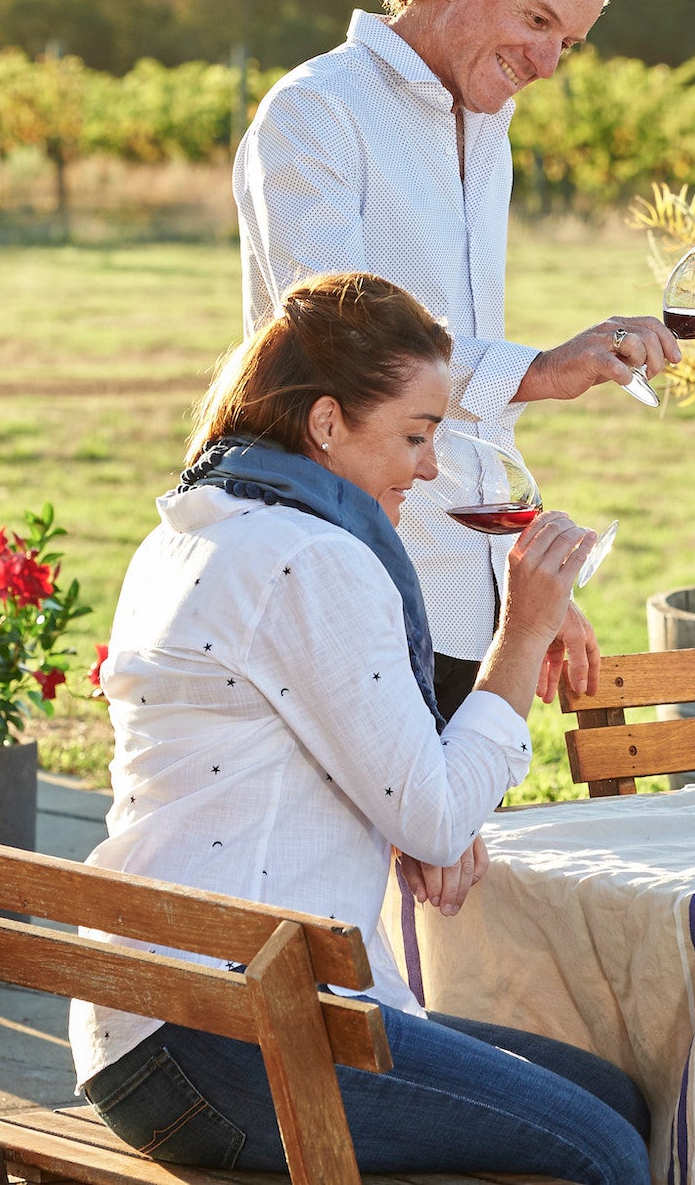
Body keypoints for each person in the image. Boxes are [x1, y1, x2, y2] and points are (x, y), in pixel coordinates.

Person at [71, 271, 652, 1185]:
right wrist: (524, 629)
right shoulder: (309, 557)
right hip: (228, 1034)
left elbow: (375, 781)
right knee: (603, 1150)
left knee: (611, 1098)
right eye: (417, 435)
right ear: (327, 424)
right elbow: (434, 816)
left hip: (156, 1015)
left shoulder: (204, 522)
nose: (428, 467)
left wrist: (420, 818)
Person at [234, 0, 675, 716]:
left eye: (570, 42)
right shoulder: (317, 112)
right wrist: (540, 368)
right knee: (379, 851)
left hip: (470, 607)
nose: (547, 62)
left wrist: (533, 586)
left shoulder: (488, 127)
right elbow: (346, 349)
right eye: (537, 19)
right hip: (348, 576)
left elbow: (468, 417)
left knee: (459, 848)